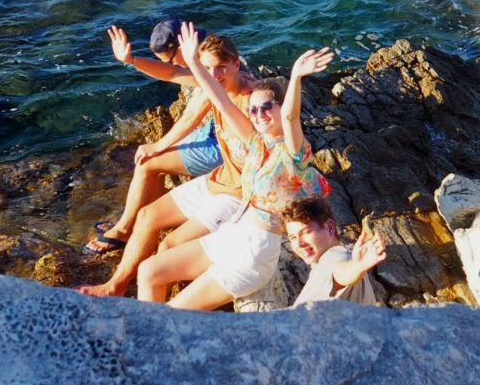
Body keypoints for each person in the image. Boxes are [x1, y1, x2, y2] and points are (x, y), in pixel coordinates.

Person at [128, 21, 334, 309]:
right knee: (149, 270)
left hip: (254, 252)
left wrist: (296, 77)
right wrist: (192, 63)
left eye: (267, 107)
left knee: (173, 313)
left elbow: (290, 118)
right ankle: (147, 330)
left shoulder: (292, 152)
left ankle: (157, 340)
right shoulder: (254, 142)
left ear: (279, 106)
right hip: (233, 234)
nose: (259, 114)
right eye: (254, 109)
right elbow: (220, 99)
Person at [76, 28, 257, 295]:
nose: (214, 75)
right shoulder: (212, 86)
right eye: (207, 69)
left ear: (236, 64)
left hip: (239, 194)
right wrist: (131, 60)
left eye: (221, 68)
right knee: (147, 215)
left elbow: (269, 133)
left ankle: (169, 305)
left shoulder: (255, 100)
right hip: (218, 179)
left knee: (168, 247)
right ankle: (114, 286)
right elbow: (174, 75)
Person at [285, 197, 383, 306]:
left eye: (306, 232)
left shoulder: (334, 258)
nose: (299, 244)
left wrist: (357, 267)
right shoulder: (321, 265)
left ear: (330, 227)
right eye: (293, 237)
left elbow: (341, 272)